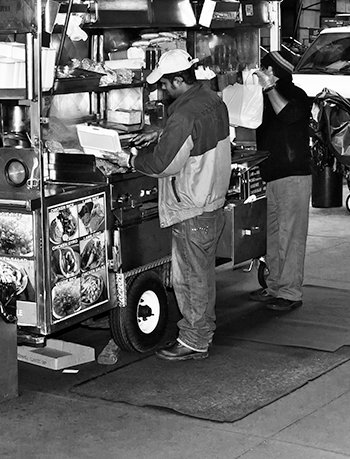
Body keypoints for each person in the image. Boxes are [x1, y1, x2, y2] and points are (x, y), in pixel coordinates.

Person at [115, 49, 231, 361]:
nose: (163, 91)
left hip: (192, 205)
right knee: (202, 274)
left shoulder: (184, 114)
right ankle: (201, 332)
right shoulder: (211, 100)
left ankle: (194, 340)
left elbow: (163, 164)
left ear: (179, 79)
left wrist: (128, 158)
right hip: (210, 200)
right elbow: (192, 142)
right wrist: (163, 133)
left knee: (190, 277)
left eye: (166, 85)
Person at [249, 51, 313, 312]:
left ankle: (290, 292)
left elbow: (287, 114)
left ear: (276, 73)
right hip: (272, 175)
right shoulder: (265, 97)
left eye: (267, 69)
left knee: (291, 236)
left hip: (293, 175)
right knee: (274, 236)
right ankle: (275, 285)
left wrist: (270, 87)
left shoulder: (297, 95)